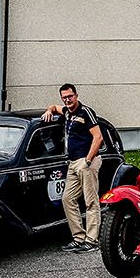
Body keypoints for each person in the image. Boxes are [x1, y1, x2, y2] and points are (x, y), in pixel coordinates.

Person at [42, 84, 103, 252]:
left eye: (70, 96)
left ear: (76, 95)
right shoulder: (68, 112)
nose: (67, 100)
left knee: (91, 201)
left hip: (86, 162)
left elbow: (98, 137)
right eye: (64, 97)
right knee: (67, 199)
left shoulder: (86, 112)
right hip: (72, 162)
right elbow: (54, 107)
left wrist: (88, 160)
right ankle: (78, 237)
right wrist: (49, 110)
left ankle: (92, 241)